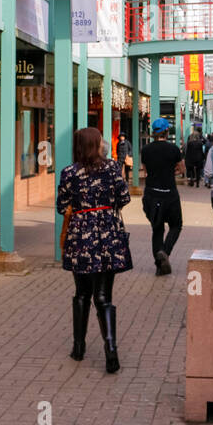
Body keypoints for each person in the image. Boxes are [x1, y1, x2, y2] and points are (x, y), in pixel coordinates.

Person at [57, 127, 132, 373]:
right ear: (95, 144)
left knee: (81, 293)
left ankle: (78, 348)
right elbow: (124, 197)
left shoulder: (69, 172)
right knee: (104, 295)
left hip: (80, 236)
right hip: (108, 234)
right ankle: (111, 350)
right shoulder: (111, 168)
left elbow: (61, 206)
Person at [140, 118, 184, 275]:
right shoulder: (174, 149)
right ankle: (165, 251)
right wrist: (172, 171)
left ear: (154, 133)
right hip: (169, 194)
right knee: (176, 225)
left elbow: (145, 171)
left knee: (157, 229)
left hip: (151, 194)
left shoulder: (145, 150)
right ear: (166, 131)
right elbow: (181, 169)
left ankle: (160, 266)